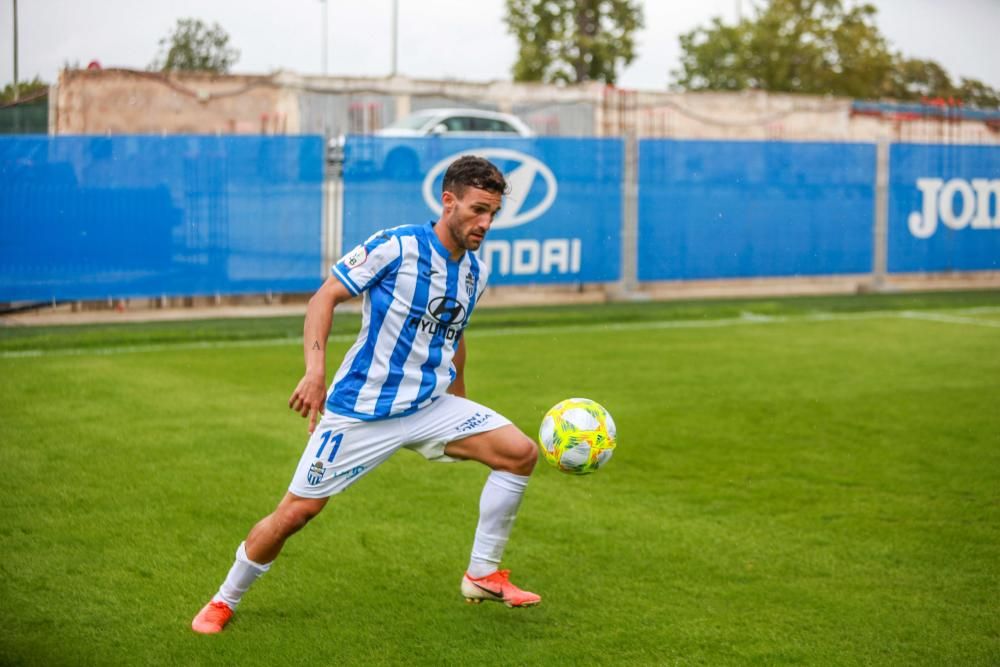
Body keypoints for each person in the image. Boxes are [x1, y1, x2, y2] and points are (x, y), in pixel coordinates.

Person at [192, 156, 541, 634]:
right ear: (448, 201)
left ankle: (481, 575)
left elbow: (454, 336)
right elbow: (324, 297)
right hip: (362, 410)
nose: (485, 223)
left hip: (431, 406)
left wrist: (463, 404)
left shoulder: (475, 273)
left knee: (520, 453)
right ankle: (223, 599)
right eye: (478, 210)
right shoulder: (396, 246)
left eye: (493, 214)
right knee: (297, 513)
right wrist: (315, 373)